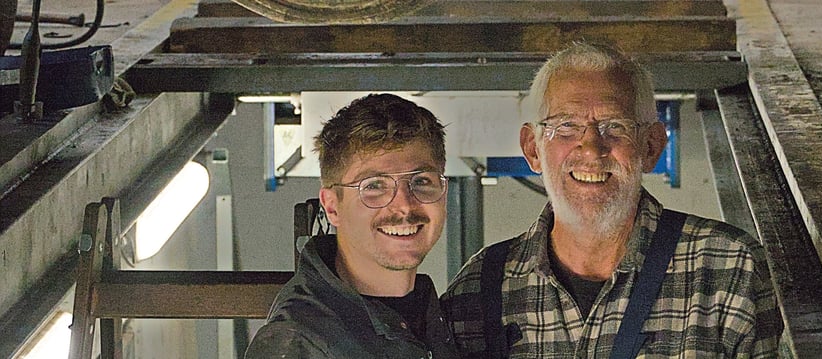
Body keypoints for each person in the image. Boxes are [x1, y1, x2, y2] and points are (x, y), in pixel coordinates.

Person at [440, 42, 783, 358]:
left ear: (651, 146)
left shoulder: (730, 269)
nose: (591, 148)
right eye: (566, 127)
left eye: (614, 127)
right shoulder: (477, 289)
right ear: (533, 149)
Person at [246, 94, 461, 358]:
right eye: (374, 186)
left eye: (421, 181)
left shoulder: (433, 316)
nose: (404, 205)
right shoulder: (302, 343)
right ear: (333, 206)